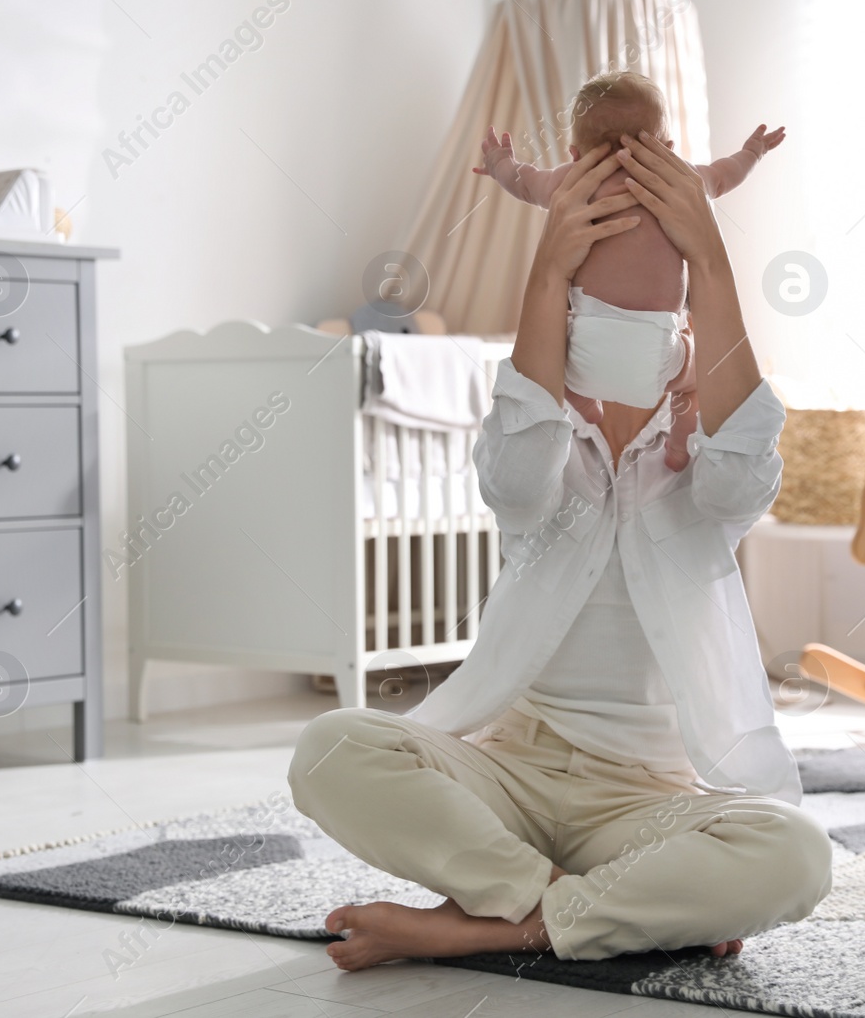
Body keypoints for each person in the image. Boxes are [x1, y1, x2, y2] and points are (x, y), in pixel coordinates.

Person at [288, 131, 829, 970]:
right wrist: (545, 271)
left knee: (795, 853)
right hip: (511, 773)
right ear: (570, 316)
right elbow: (511, 481)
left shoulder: (710, 447)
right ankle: (588, 905)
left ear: (681, 322)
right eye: (596, 307)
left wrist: (711, 262)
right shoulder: (537, 440)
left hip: (645, 797)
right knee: (329, 746)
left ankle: (489, 923)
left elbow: (742, 483)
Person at [472, 70, 785, 471]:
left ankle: (582, 399)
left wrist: (500, 163)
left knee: (551, 350)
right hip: (658, 351)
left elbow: (524, 183)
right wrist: (754, 152)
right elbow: (725, 175)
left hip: (583, 350)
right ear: (667, 148)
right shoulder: (681, 181)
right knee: (696, 377)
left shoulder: (571, 182)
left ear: (574, 154)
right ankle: (680, 439)